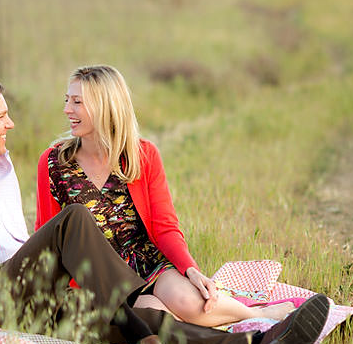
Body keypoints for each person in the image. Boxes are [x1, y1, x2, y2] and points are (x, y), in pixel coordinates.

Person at [0, 76, 330, 344]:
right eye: (0, 116)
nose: (11, 122)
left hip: (28, 299)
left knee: (132, 316)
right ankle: (145, 339)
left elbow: (23, 245)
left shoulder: (3, 167)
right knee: (75, 222)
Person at [36, 64, 296, 328]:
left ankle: (257, 316)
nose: (67, 109)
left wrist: (191, 270)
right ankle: (237, 336)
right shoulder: (54, 163)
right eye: (67, 100)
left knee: (191, 304)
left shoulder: (143, 156)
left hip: (147, 262)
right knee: (158, 318)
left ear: (106, 106)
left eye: (77, 102)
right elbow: (48, 235)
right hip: (100, 277)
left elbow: (164, 227)